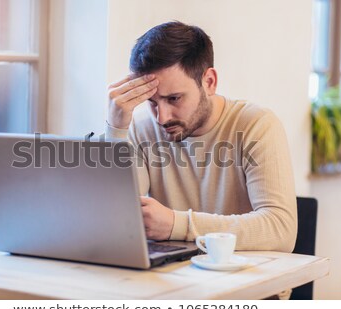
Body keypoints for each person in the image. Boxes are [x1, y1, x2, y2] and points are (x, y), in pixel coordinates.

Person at [105, 21, 297, 252]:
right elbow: (114, 219)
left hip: (248, 280)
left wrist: (178, 224)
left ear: (209, 82)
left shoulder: (256, 125)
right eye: (152, 102)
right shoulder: (142, 128)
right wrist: (116, 130)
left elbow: (281, 230)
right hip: (175, 277)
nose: (162, 118)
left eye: (174, 98)